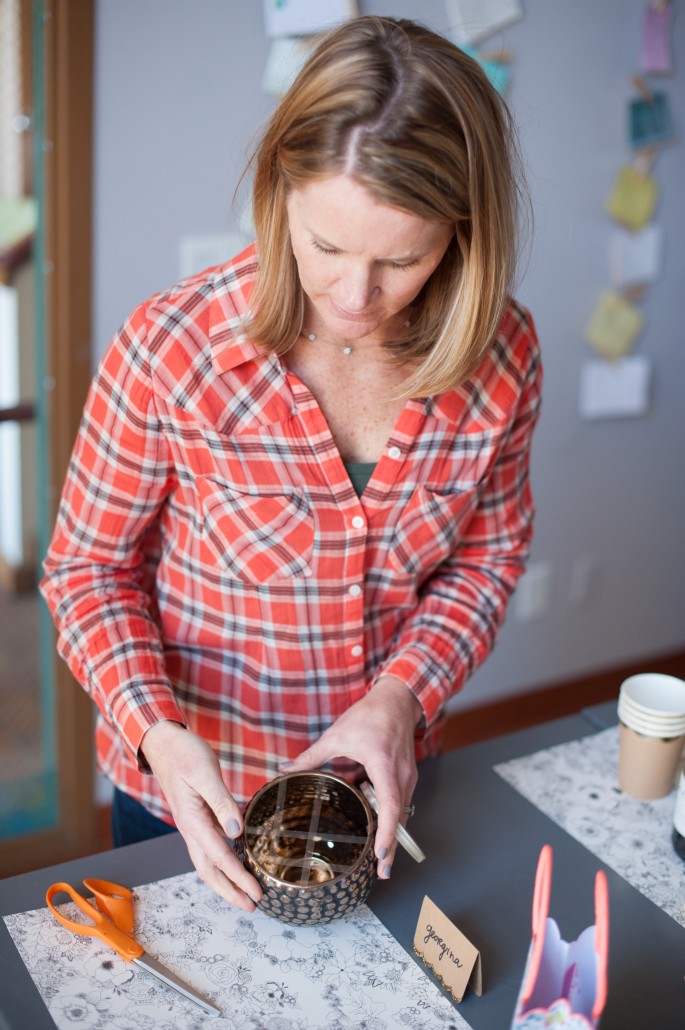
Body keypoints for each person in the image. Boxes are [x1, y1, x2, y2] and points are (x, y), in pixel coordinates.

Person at [41, 15, 541, 913]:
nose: (357, 297)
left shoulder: (502, 357)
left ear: (463, 235)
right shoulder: (172, 349)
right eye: (326, 246)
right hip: (191, 796)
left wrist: (399, 700)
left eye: (403, 258)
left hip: (385, 786)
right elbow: (86, 570)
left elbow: (486, 561)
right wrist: (154, 729)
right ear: (278, 192)